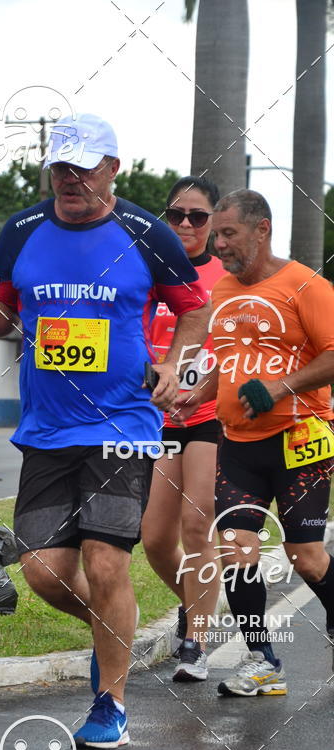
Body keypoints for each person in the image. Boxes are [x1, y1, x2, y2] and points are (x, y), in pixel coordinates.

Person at [0, 113, 211, 748]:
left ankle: (111, 703)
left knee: (105, 560)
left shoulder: (147, 233)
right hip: (46, 427)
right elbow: (5, 320)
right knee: (43, 570)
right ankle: (113, 632)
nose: (70, 180)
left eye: (84, 168)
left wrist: (177, 362)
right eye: (60, 167)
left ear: (112, 170)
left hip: (122, 421)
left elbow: (194, 308)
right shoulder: (20, 231)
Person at [174, 189, 334, 696]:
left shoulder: (304, 285)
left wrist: (281, 388)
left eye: (228, 234)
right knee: (236, 549)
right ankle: (262, 659)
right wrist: (193, 394)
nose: (217, 244)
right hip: (238, 444)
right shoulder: (220, 292)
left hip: (301, 439)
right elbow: (226, 360)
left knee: (305, 555)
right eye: (215, 235)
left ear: (262, 230)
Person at [142, 176, 226, 682]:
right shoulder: (151, 270)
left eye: (198, 216)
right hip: (161, 417)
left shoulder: (227, 275)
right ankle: (197, 609)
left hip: (211, 417)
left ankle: (196, 639)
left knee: (198, 527)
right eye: (177, 216)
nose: (187, 225)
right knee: (154, 539)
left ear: (214, 221)